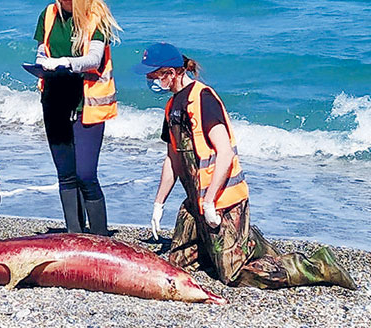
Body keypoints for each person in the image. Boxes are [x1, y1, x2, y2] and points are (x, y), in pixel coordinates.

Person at [134, 43, 357, 290]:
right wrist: (158, 203)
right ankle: (246, 243)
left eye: (152, 73)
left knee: (234, 275)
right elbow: (172, 160)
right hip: (197, 202)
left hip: (222, 200)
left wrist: (210, 203)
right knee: (177, 265)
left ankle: (317, 265)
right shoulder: (172, 107)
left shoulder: (202, 98)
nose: (148, 79)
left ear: (171, 72)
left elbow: (225, 153)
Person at [33, 0, 119, 236]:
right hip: (54, 101)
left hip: (87, 104)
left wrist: (64, 63)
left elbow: (93, 59)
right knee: (66, 175)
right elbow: (42, 50)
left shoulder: (97, 16)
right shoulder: (48, 14)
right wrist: (43, 63)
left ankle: (100, 237)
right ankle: (74, 235)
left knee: (85, 175)